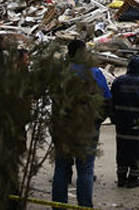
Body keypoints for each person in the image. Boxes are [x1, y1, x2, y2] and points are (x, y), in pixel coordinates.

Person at [52, 40, 112, 210]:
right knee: (85, 170)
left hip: (62, 128)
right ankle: (84, 206)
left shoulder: (60, 73)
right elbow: (107, 100)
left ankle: (57, 205)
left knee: (61, 168)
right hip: (86, 129)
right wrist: (97, 120)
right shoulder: (94, 73)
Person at [110, 56, 139, 188]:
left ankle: (121, 178)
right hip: (138, 123)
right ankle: (133, 179)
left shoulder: (118, 81)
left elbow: (111, 101)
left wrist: (113, 117)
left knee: (122, 149)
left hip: (121, 123)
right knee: (137, 151)